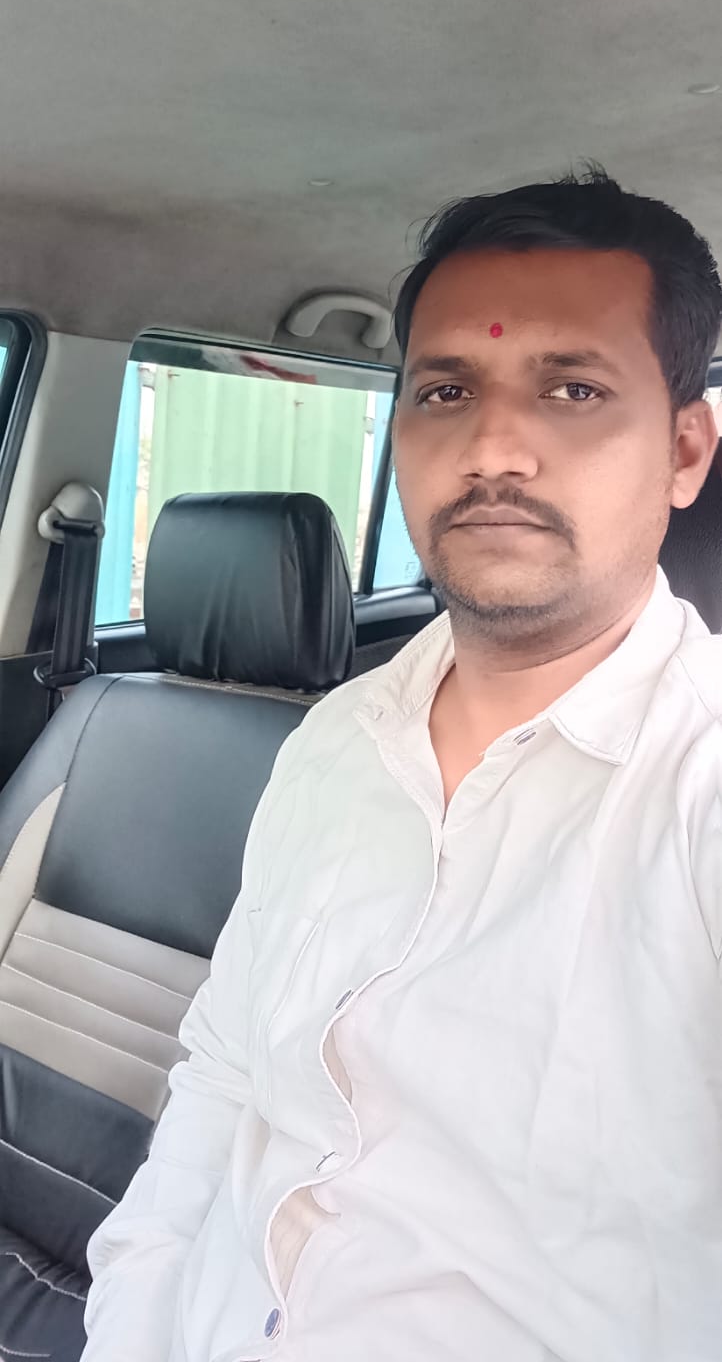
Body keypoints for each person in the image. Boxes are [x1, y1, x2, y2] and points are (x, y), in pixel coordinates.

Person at [81, 169, 722, 1362]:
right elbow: (223, 1075)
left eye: (571, 389)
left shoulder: (696, 788)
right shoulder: (334, 739)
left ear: (684, 450)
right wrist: (128, 1320)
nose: (492, 447)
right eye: (445, 389)